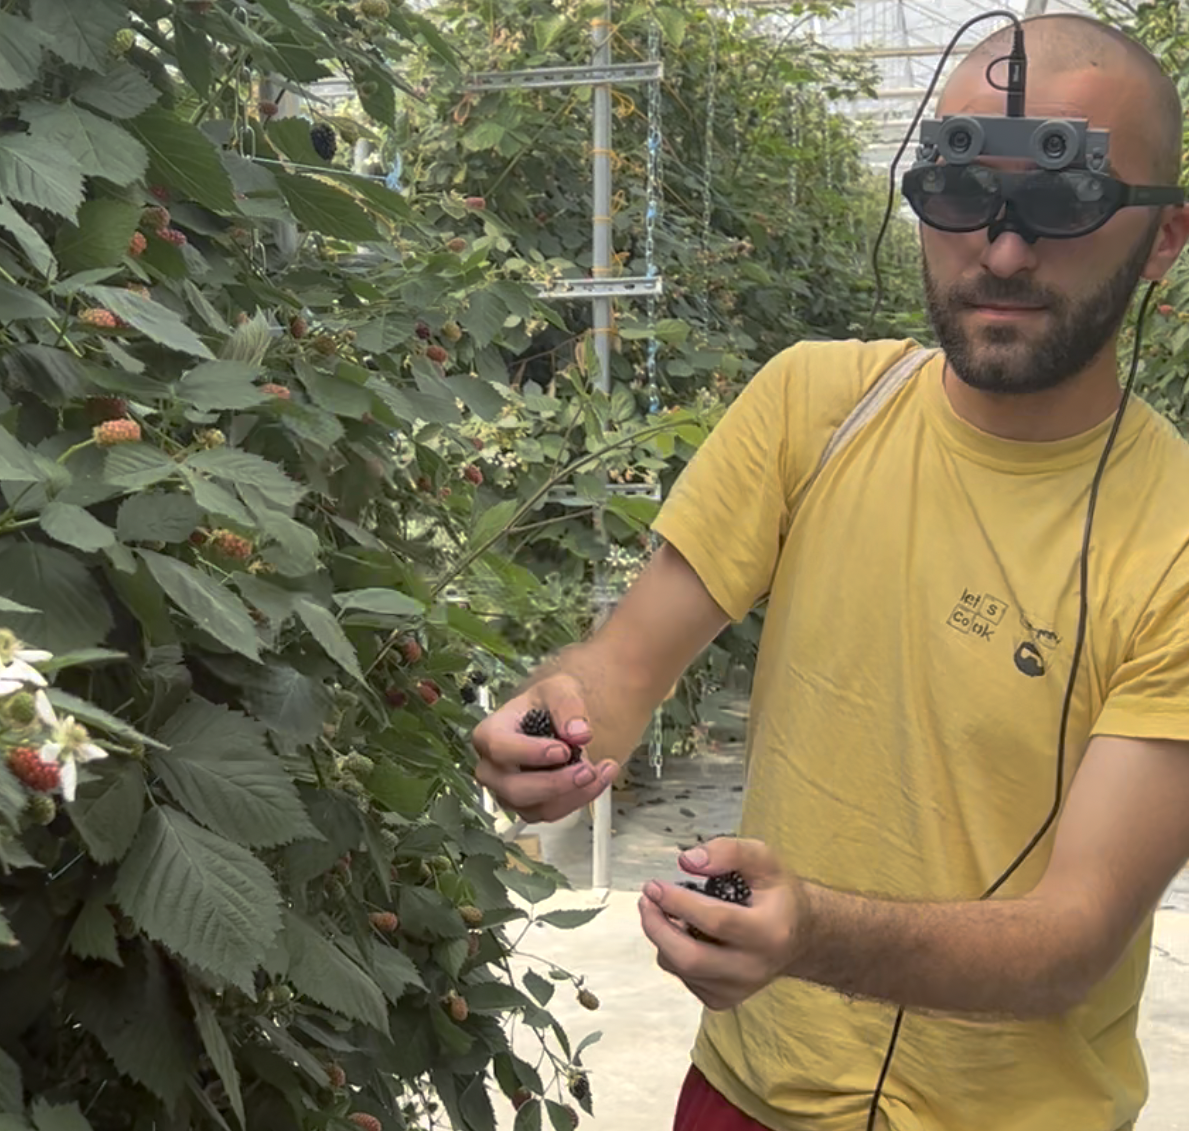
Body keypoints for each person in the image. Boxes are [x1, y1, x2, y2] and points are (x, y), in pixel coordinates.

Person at [470, 13, 1189, 1131]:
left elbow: (1072, 939)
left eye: (1059, 200)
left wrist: (811, 935)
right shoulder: (816, 406)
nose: (999, 252)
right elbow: (623, 665)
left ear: (1159, 239)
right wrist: (558, 720)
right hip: (745, 1094)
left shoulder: (1176, 539)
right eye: (958, 193)